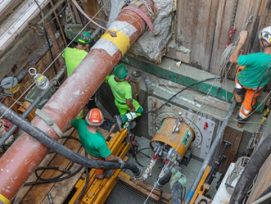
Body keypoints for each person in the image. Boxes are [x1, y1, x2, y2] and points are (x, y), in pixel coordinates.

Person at [229, 26, 271, 128]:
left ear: (265, 43)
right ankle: (240, 123)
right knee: (248, 106)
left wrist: (241, 42)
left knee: (239, 66)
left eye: (261, 40)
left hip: (244, 81)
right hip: (257, 88)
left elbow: (232, 59)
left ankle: (238, 93)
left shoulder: (254, 58)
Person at [71, 108, 124, 179]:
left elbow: (72, 122)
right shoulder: (100, 140)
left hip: (88, 150)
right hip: (97, 157)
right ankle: (99, 175)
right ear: (100, 122)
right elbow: (108, 158)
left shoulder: (80, 123)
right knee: (100, 165)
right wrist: (117, 159)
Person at [62, 31, 96, 118]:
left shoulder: (67, 50)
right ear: (87, 45)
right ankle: (78, 120)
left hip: (69, 83)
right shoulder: (87, 56)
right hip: (81, 86)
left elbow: (64, 56)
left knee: (73, 103)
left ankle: (76, 118)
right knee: (79, 104)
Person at [105, 65, 143, 130]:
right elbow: (128, 102)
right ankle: (122, 118)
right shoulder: (127, 87)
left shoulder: (111, 79)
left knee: (123, 113)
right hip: (125, 104)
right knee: (139, 110)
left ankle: (126, 126)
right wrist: (132, 108)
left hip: (117, 102)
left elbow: (107, 79)